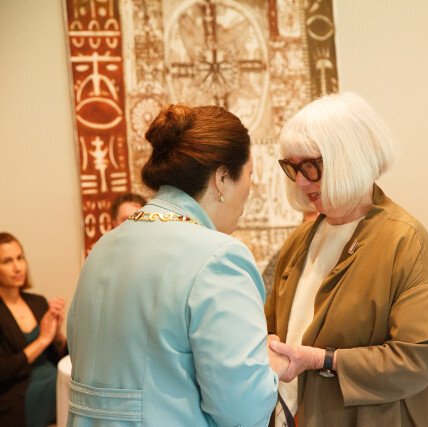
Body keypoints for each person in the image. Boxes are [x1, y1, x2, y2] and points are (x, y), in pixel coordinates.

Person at [67, 104, 288, 426]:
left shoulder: (103, 247)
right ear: (222, 178)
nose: (250, 190)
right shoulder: (218, 257)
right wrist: (269, 367)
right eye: (250, 174)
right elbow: (244, 409)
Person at [265, 92, 428, 426]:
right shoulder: (300, 240)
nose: (300, 181)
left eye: (311, 166)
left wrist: (320, 360)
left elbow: (418, 359)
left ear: (349, 159)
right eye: (293, 168)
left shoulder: (405, 240)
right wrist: (270, 341)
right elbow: (272, 325)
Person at [0, 232, 67, 427]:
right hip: (19, 391)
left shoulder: (38, 302)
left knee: (77, 381)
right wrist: (42, 340)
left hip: (52, 376)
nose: (17, 267)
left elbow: (60, 356)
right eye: (7, 261)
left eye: (20, 258)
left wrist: (57, 334)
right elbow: (3, 372)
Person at [261, 211, 319, 300]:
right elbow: (268, 293)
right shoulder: (286, 253)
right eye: (311, 214)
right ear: (303, 219)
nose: (319, 218)